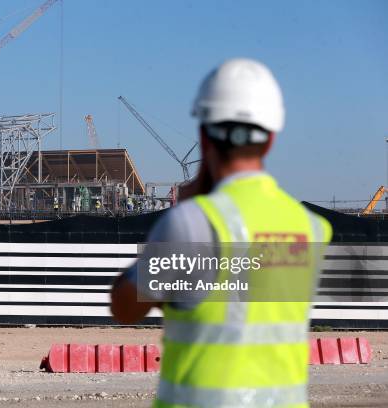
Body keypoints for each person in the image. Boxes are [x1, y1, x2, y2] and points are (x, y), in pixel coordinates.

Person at [111, 58, 332, 408]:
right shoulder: (312, 228)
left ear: (204, 135)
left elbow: (124, 308)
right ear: (271, 139)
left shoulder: (191, 223)